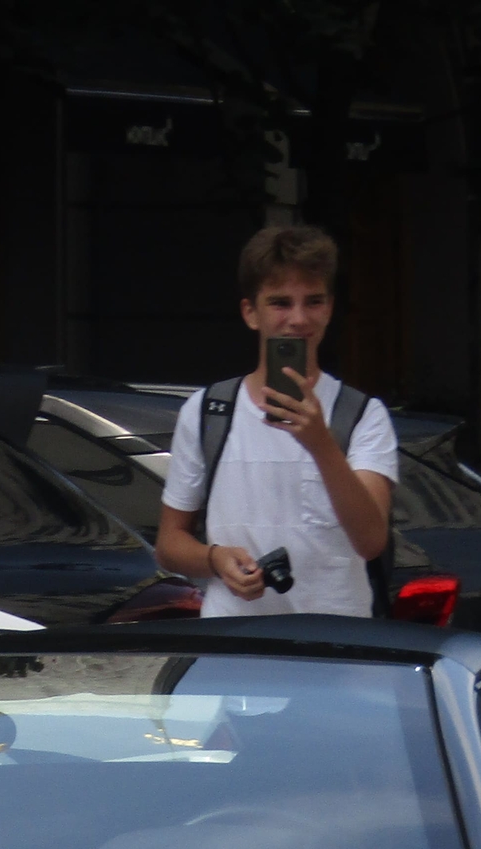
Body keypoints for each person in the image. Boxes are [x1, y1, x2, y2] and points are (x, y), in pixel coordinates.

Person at [156, 225, 399, 617]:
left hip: (334, 648)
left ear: (330, 308)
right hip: (233, 644)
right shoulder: (209, 411)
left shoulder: (361, 415)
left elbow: (371, 541)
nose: (299, 319)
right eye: (281, 303)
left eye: (314, 301)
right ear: (250, 312)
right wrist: (215, 559)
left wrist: (321, 443)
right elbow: (169, 543)